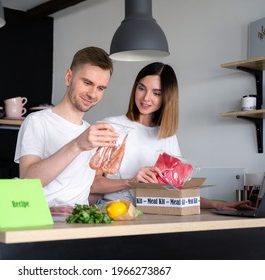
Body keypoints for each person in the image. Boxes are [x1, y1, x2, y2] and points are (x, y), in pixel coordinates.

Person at [90, 62, 252, 211]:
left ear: (167, 97)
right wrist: (131, 182)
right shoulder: (112, 127)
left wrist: (217, 205)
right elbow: (93, 185)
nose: (146, 98)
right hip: (114, 213)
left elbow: (177, 191)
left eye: (156, 93)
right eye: (141, 88)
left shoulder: (167, 136)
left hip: (153, 215)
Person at [14, 46, 119, 206]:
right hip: (44, 221)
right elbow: (27, 181)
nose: (92, 94)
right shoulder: (37, 122)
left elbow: (84, 192)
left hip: (80, 223)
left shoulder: (91, 133)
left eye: (100, 88)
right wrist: (77, 145)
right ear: (69, 77)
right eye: (87, 82)